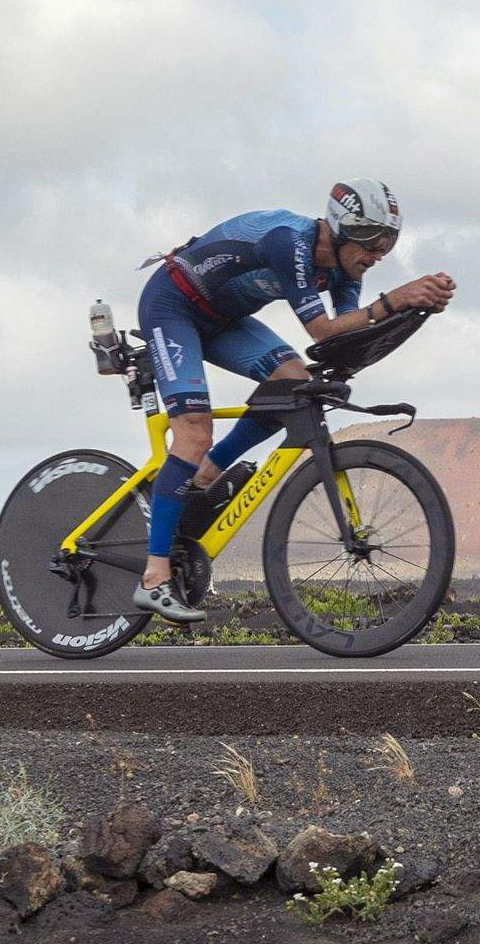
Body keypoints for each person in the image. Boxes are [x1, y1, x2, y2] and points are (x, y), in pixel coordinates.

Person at [132, 181, 456, 620]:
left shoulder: (345, 271)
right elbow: (322, 331)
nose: (377, 255)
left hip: (223, 319)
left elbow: (348, 331)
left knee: (295, 383)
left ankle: (206, 476)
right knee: (192, 432)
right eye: (371, 244)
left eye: (386, 247)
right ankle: (154, 577)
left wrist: (410, 310)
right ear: (342, 230)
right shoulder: (292, 242)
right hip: (172, 305)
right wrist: (394, 298)